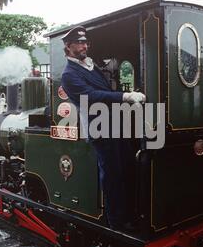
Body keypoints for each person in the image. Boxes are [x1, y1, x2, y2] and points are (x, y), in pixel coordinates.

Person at [60, 26, 145, 232]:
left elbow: (106, 90)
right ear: (68, 47)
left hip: (115, 124)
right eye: (79, 43)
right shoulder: (69, 74)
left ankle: (131, 214)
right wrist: (124, 97)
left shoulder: (91, 66)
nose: (84, 46)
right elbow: (90, 96)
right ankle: (116, 222)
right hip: (99, 128)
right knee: (112, 175)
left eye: (85, 42)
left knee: (127, 168)